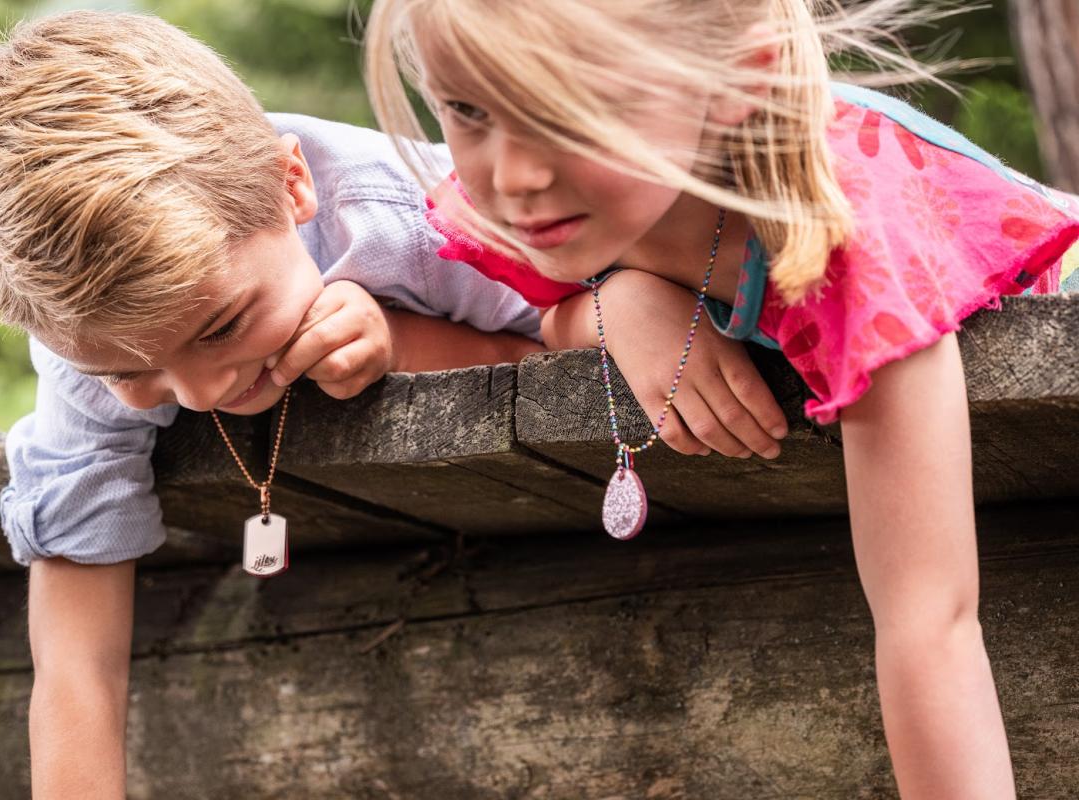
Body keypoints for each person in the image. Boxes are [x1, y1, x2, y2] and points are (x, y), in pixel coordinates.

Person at [0, 10, 784, 796]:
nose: (199, 394)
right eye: (131, 375)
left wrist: (590, 304)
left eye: (223, 325)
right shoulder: (84, 337)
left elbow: (548, 336)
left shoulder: (418, 213)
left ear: (293, 186)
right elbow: (76, 658)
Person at [364, 0, 1079, 797]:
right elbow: (545, 315)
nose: (514, 175)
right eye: (467, 109)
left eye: (575, 110)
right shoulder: (566, 209)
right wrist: (615, 305)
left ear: (744, 76)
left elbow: (930, 621)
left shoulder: (844, 238)